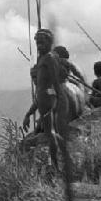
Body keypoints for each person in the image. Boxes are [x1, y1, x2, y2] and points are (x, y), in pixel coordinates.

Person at [34, 29, 69, 171]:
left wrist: (58, 97)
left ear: (49, 43)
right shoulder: (41, 58)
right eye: (37, 43)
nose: (39, 46)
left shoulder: (49, 58)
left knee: (50, 132)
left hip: (48, 97)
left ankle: (56, 164)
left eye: (42, 43)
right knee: (49, 131)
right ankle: (61, 157)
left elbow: (55, 80)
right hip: (42, 97)